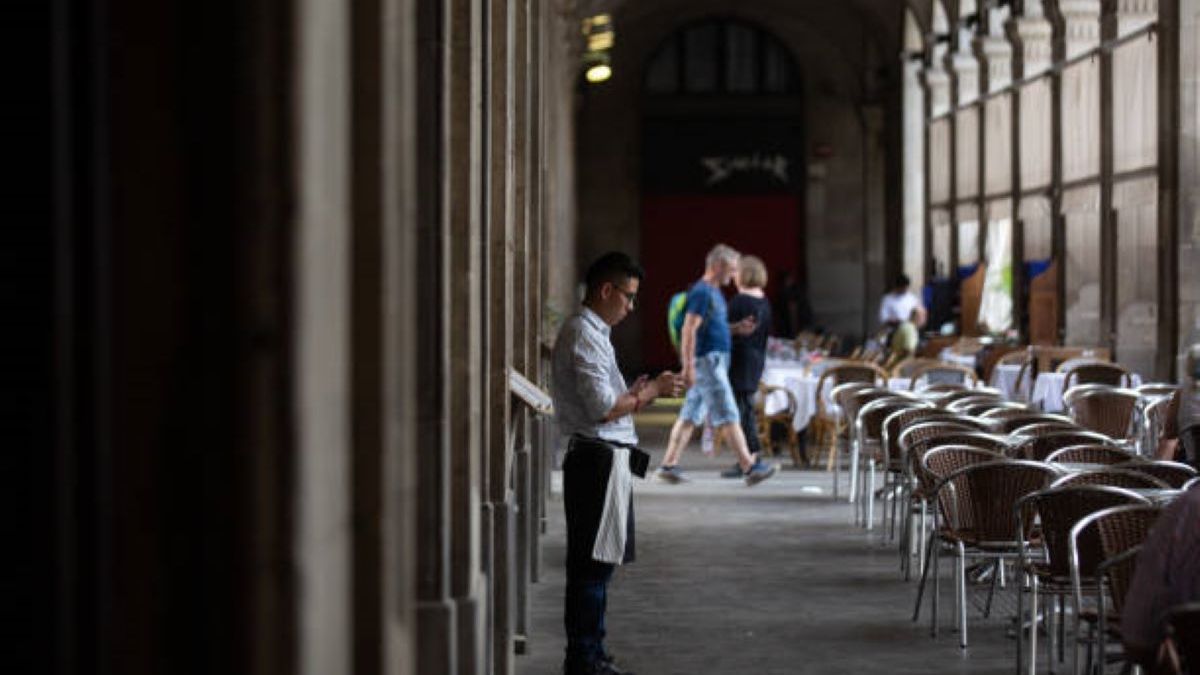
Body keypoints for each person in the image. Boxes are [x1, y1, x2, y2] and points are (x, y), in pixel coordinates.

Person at [551, 251, 681, 675]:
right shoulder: (584, 333)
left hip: (605, 460)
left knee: (600, 564)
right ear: (606, 290)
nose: (630, 306)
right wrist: (652, 392)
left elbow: (611, 399)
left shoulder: (594, 333)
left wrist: (637, 391)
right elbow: (603, 408)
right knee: (591, 567)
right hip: (596, 461)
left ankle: (593, 649)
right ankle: (584, 658)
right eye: (627, 296)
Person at [655, 244, 778, 485]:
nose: (733, 276)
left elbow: (712, 327)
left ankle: (668, 465)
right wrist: (688, 367)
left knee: (690, 414)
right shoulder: (702, 292)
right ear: (717, 266)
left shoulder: (714, 293)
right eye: (731, 270)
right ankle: (749, 466)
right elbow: (689, 329)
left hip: (713, 360)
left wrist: (736, 329)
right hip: (708, 362)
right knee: (729, 414)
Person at [721, 255, 773, 478]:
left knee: (741, 413)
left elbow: (723, 331)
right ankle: (750, 456)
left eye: (736, 272)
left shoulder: (740, 301)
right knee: (746, 410)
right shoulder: (764, 301)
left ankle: (750, 458)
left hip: (739, 361)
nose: (732, 276)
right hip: (756, 359)